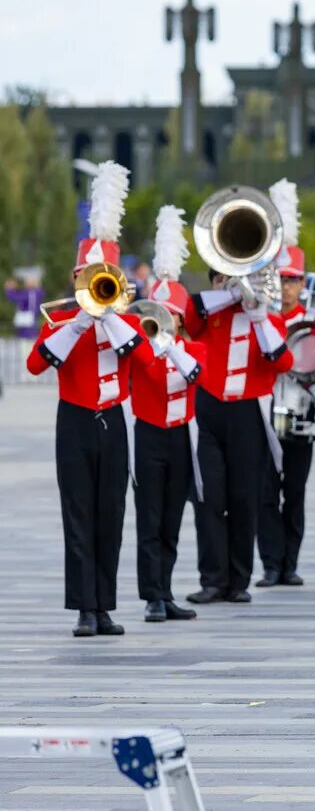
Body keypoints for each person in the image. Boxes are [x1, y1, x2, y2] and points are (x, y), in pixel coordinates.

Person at [26, 161, 153, 637]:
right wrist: (80, 321)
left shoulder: (128, 322)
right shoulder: (61, 324)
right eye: (90, 276)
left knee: (111, 514)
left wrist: (110, 316)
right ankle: (84, 607)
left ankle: (105, 606)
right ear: (78, 276)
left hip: (113, 423)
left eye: (106, 276)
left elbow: (143, 360)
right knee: (78, 513)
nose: (98, 282)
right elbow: (36, 364)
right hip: (75, 422)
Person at [184, 207, 294, 606]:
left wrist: (259, 314)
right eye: (221, 274)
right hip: (209, 410)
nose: (230, 280)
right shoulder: (207, 309)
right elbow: (189, 313)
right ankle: (212, 578)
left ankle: (239, 580)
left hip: (248, 413)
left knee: (244, 498)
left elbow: (281, 361)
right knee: (209, 497)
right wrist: (227, 293)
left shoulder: (267, 317)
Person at [257, 179, 315, 586]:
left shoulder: (313, 319)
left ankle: (288, 564)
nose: (286, 287)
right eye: (281, 278)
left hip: (302, 419)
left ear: (302, 283)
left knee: (296, 492)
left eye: (292, 280)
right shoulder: (261, 317)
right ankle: (270, 564)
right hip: (264, 415)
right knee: (264, 493)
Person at [131, 205, 203, 623]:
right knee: (150, 519)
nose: (164, 322)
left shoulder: (189, 349)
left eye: (171, 316)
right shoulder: (142, 352)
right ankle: (151, 595)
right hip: (149, 435)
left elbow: (193, 375)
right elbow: (154, 383)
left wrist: (172, 344)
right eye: (159, 316)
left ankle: (167, 590)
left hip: (179, 437)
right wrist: (154, 343)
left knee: (173, 519)